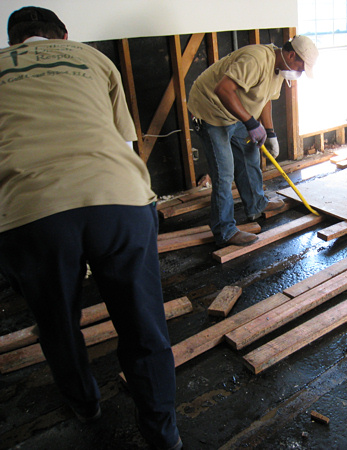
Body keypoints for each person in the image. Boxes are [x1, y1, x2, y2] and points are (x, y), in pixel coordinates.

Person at [0, 7, 181, 450]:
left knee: (57, 323)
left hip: (32, 209)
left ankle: (85, 406)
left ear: (12, 41)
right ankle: (164, 436)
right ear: (63, 36)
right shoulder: (93, 58)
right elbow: (125, 141)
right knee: (143, 324)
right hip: (119, 197)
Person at [188, 35, 319, 246]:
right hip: (211, 110)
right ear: (291, 55)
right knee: (224, 172)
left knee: (249, 154)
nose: (300, 73)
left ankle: (256, 205)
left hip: (234, 111)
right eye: (301, 67)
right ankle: (224, 231)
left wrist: (270, 131)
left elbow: (265, 99)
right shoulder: (256, 60)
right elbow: (223, 89)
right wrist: (250, 123)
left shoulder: (279, 68)